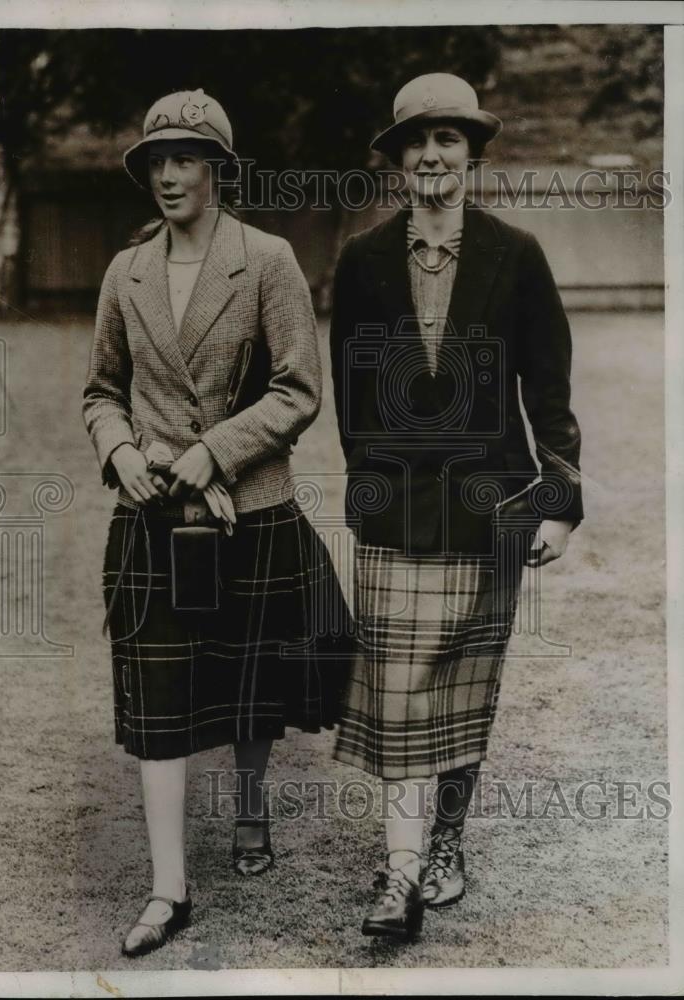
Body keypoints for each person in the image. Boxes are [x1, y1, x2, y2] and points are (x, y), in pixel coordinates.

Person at [83, 89, 350, 957]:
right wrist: (121, 451)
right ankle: (170, 888)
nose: (168, 175)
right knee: (160, 698)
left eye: (187, 158)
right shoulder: (125, 272)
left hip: (251, 509)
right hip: (153, 515)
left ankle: (248, 808)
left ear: (220, 170)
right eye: (157, 159)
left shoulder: (266, 259)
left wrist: (216, 452)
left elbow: (299, 390)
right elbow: (101, 391)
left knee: (249, 684)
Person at [330, 73, 583, 940]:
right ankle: (397, 877)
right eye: (417, 140)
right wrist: (370, 495)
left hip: (492, 509)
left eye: (449, 139)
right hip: (396, 514)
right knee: (400, 691)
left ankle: (444, 842)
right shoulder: (362, 262)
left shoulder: (517, 255)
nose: (432, 154)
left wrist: (556, 500)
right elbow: (352, 401)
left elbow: (549, 392)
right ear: (398, 158)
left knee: (464, 691)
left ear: (472, 154)